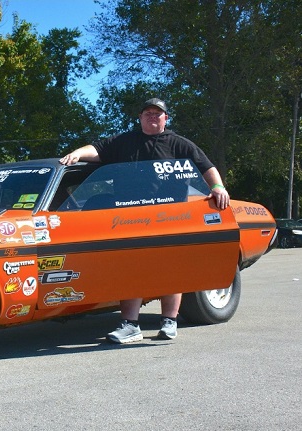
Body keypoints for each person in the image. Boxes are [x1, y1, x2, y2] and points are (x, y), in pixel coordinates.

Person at [60, 97, 229, 344]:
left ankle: (169, 322)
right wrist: (76, 153)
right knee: (132, 268)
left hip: (172, 217)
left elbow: (206, 166)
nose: (153, 117)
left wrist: (218, 187)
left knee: (170, 269)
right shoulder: (123, 142)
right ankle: (130, 325)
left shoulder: (178, 144)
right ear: (140, 117)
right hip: (129, 218)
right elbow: (96, 149)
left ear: (165, 118)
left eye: (157, 114)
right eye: (148, 113)